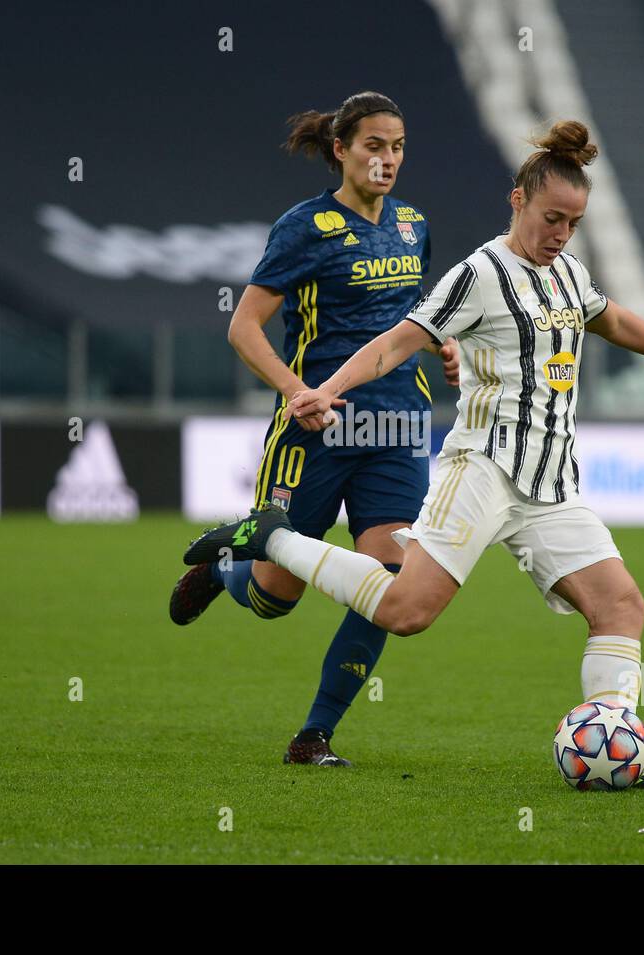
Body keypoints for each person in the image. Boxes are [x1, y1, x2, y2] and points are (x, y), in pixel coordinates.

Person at [183, 120, 644, 789]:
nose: (561, 234)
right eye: (551, 219)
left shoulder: (568, 273)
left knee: (622, 606)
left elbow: (615, 320)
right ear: (517, 202)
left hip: (550, 485)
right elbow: (396, 341)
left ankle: (614, 753)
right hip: (480, 469)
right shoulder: (481, 273)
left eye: (573, 222)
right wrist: (323, 390)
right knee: (404, 611)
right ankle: (272, 539)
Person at [168, 91, 459, 766]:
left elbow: (407, 316)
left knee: (388, 581)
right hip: (316, 429)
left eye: (399, 147)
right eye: (374, 147)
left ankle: (314, 735)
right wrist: (297, 390)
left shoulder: (415, 225)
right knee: (277, 597)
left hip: (396, 428)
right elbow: (243, 326)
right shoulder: (304, 226)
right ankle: (228, 563)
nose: (388, 160)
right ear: (341, 150)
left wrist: (439, 346)